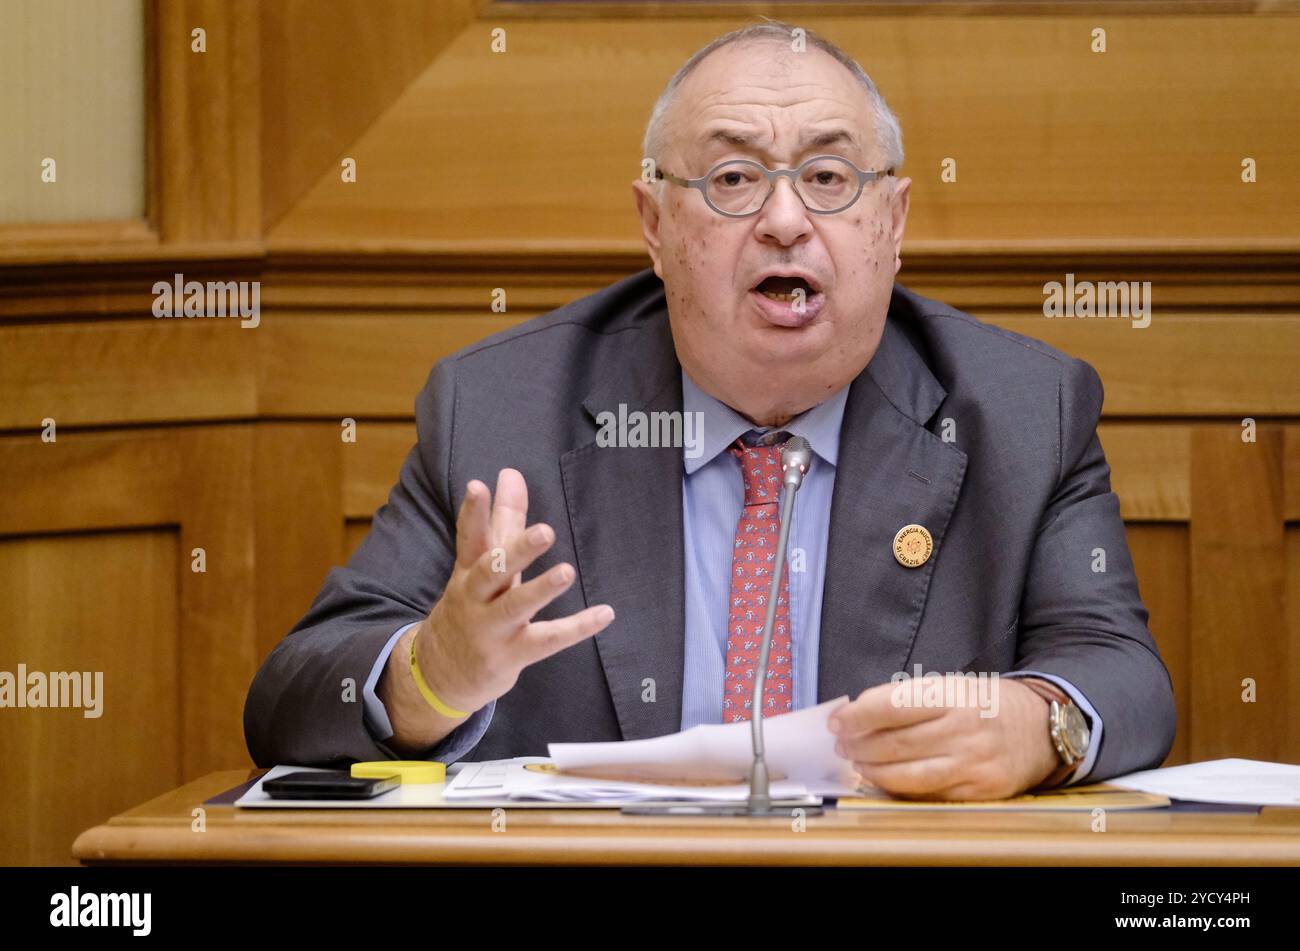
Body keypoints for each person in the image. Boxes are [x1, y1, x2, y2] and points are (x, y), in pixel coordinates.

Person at [244, 22, 1175, 800]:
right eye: (732, 179)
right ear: (655, 225)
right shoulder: (501, 410)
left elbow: (1124, 676)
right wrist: (429, 676)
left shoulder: (1023, 411)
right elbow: (289, 697)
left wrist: (1039, 723)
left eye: (829, 178)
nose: (783, 220)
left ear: (892, 224)